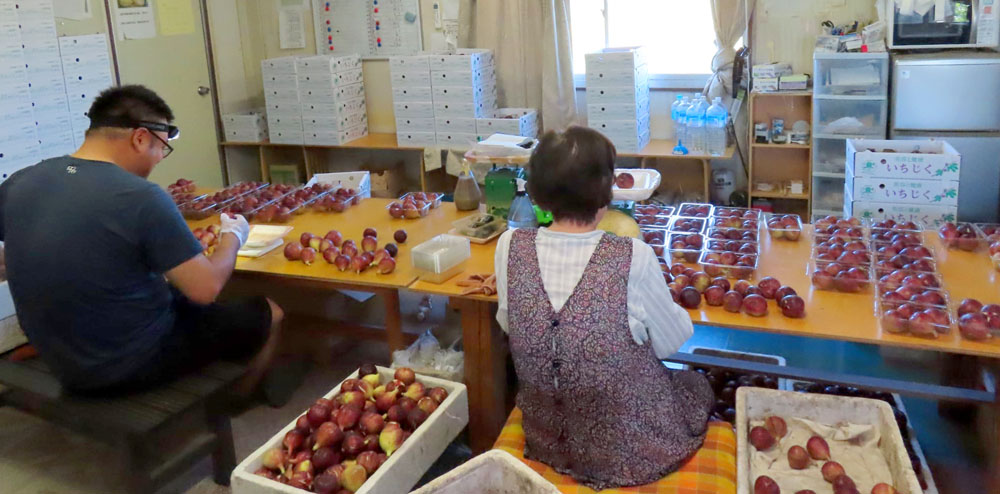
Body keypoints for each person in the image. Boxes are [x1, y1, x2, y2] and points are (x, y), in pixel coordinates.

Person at [0, 85, 285, 401]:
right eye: (162, 147)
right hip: (124, 364)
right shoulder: (140, 196)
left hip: (60, 356)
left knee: (174, 290)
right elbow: (206, 289)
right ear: (140, 138)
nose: (160, 157)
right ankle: (234, 403)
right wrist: (233, 235)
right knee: (268, 312)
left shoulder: (22, 180)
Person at [494, 127, 714, 490]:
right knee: (694, 384)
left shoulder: (509, 246)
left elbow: (510, 323)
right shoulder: (633, 257)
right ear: (607, 190)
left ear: (536, 191)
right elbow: (670, 344)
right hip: (627, 450)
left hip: (545, 437)